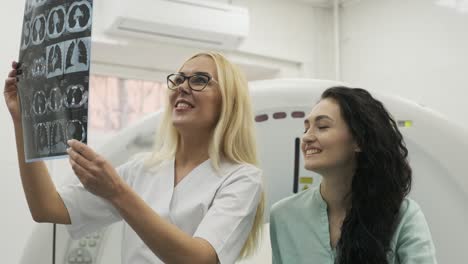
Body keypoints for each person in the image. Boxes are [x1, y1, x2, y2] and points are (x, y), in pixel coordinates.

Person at [4, 52, 264, 264]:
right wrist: (22, 121)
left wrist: (117, 192)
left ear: (228, 102)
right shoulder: (144, 169)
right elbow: (47, 207)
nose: (183, 87)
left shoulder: (242, 179)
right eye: (179, 79)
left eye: (199, 80)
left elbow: (199, 259)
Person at [269, 86, 437, 264]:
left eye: (322, 126)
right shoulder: (283, 216)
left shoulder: (403, 215)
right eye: (306, 128)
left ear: (358, 140)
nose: (307, 137)